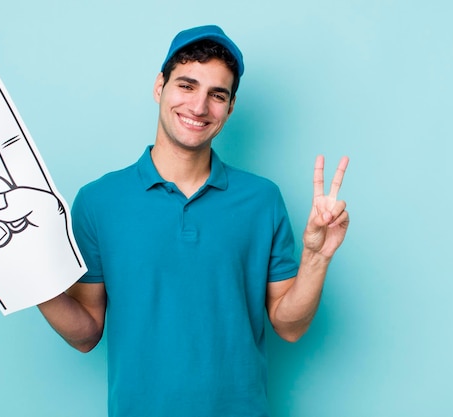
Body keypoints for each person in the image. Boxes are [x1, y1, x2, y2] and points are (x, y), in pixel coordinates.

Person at [38, 25, 349, 417]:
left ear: (230, 107)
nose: (199, 107)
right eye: (187, 85)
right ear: (159, 87)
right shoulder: (99, 200)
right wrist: (32, 279)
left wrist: (317, 259)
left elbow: (289, 326)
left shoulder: (262, 199)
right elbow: (85, 334)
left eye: (217, 95)